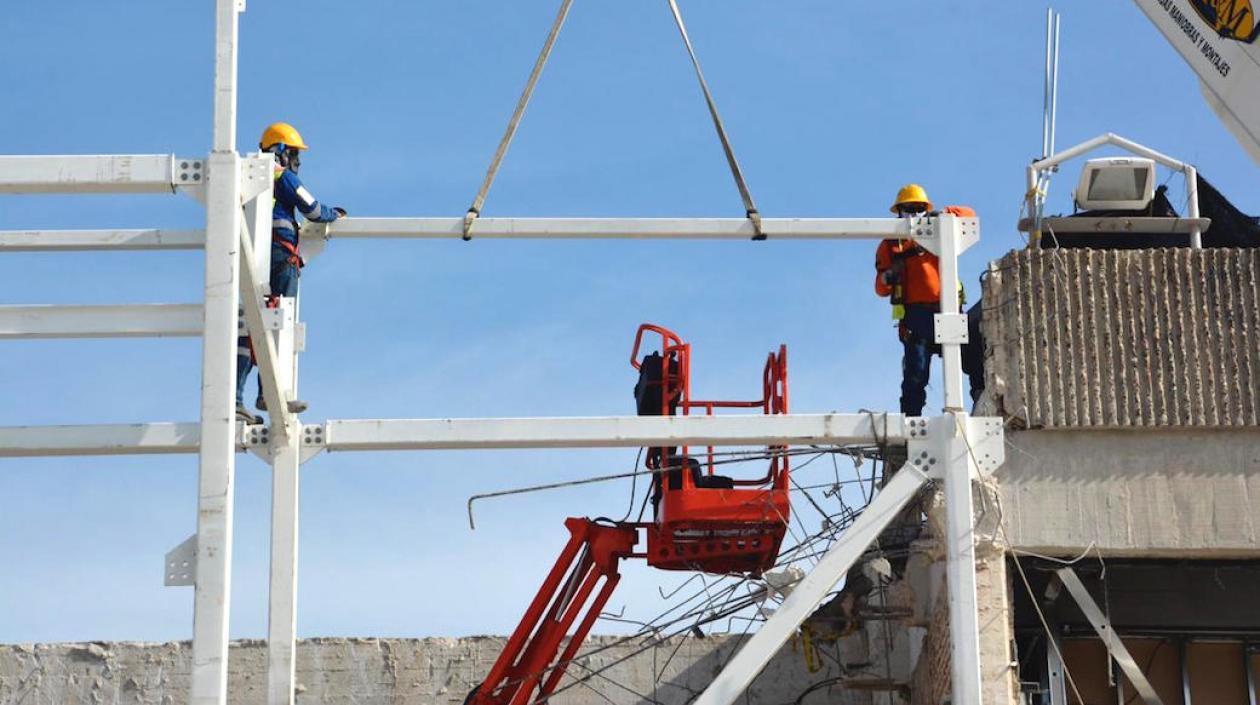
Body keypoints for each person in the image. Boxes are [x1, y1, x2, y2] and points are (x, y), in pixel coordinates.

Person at [236, 122, 345, 423]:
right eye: (294, 154)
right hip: (281, 257)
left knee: (250, 324)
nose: (297, 162)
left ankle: (237, 398)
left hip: (251, 259)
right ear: (281, 152)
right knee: (279, 322)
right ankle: (271, 395)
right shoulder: (282, 177)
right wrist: (333, 214)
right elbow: (311, 208)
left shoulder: (245, 178)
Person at [874, 184, 977, 416]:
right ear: (898, 212)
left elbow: (969, 215)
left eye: (919, 209)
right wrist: (887, 278)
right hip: (916, 316)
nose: (913, 215)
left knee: (973, 357)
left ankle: (981, 400)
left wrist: (943, 214)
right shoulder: (891, 244)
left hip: (948, 310)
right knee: (916, 373)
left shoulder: (940, 229)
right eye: (908, 209)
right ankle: (911, 419)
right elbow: (879, 288)